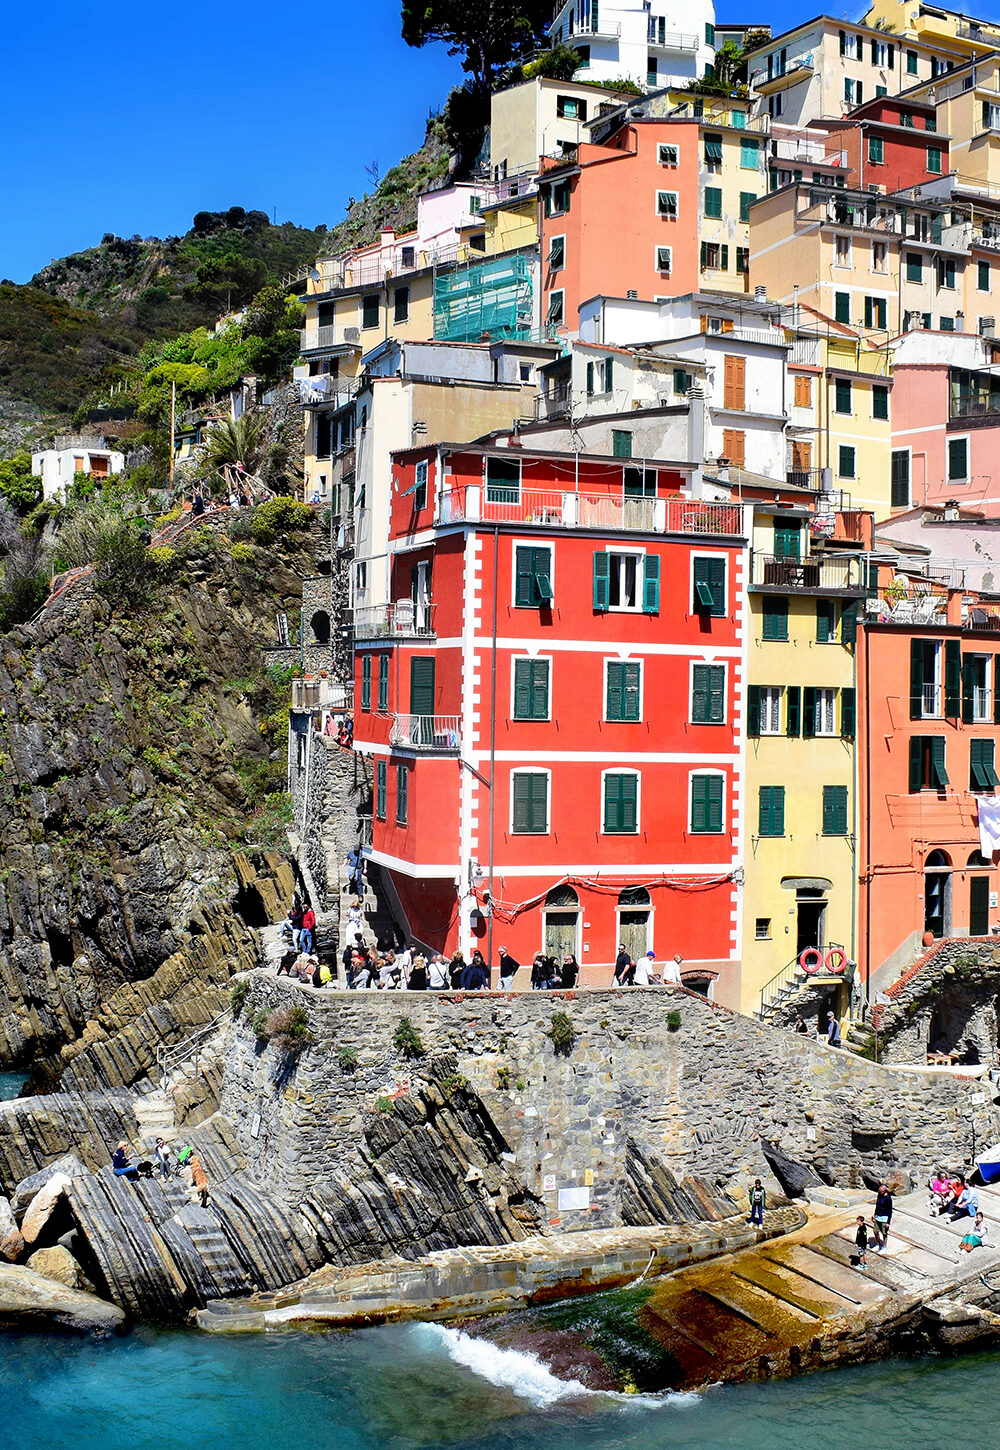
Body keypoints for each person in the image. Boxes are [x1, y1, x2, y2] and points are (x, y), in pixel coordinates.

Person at [872, 1183, 893, 1250]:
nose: (879, 1192)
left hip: (884, 1218)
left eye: (881, 1191)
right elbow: (877, 1206)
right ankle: (878, 1244)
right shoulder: (879, 1195)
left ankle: (884, 1247)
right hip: (878, 1217)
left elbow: (890, 1211)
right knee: (875, 1231)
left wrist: (888, 1222)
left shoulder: (888, 1198)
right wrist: (874, 1215)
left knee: (884, 1233)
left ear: (884, 1191)